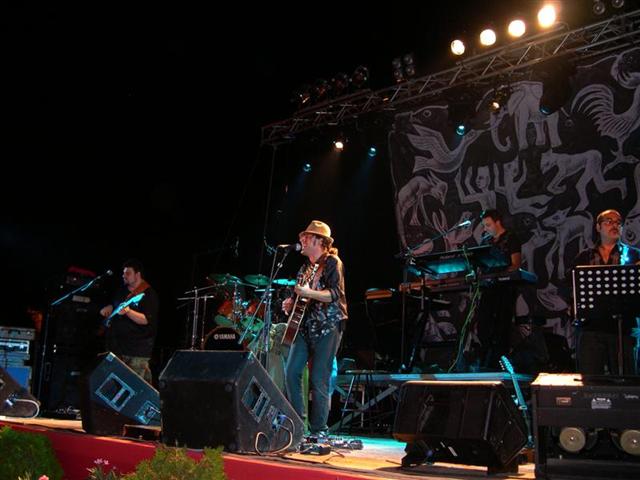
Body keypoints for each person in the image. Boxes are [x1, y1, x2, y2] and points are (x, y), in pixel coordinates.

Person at [283, 220, 347, 437]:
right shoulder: (304, 268)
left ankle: (319, 430)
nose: (302, 239)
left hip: (328, 326)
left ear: (320, 241)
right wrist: (290, 304)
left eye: (307, 236)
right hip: (304, 327)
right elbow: (300, 299)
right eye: (303, 236)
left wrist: (308, 293)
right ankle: (298, 426)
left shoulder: (332, 262)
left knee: (319, 378)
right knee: (291, 372)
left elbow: (335, 294)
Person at [573, 209, 640, 375]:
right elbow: (572, 288)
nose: (614, 225)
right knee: (590, 378)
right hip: (591, 328)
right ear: (598, 227)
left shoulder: (633, 255)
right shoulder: (584, 257)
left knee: (626, 380)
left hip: (623, 328)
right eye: (609, 221)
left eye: (618, 223)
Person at [464, 209, 522, 371]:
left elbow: (516, 264)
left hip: (505, 288)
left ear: (498, 222)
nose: (486, 228)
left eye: (488, 225)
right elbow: (479, 263)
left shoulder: (511, 238)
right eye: (484, 225)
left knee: (502, 326)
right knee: (484, 324)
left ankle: (500, 363)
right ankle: (487, 361)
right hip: (488, 288)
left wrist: (501, 273)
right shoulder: (486, 240)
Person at [99, 259, 158, 383]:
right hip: (117, 348)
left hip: (136, 352)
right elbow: (116, 305)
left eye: (128, 273)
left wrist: (128, 312)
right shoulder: (122, 291)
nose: (123, 276)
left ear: (137, 274)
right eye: (123, 273)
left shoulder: (149, 294)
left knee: (135, 387)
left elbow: (146, 320)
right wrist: (110, 307)